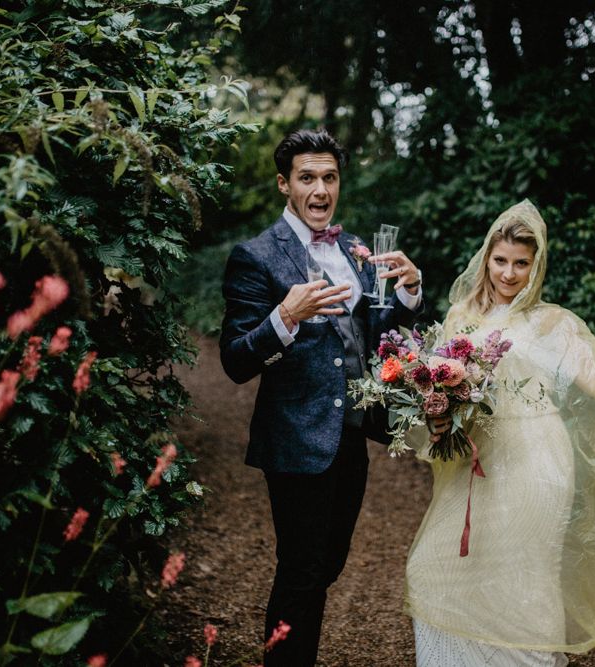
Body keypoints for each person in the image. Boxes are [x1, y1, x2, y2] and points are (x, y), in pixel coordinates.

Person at [219, 128, 423, 665]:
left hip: (350, 434)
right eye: (307, 178)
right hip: (295, 437)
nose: (319, 189)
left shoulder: (354, 247)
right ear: (284, 184)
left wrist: (406, 290)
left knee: (328, 564)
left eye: (329, 177)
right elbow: (235, 360)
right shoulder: (255, 256)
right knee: (302, 571)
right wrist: (285, 316)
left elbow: (372, 331)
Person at [406, 199, 595, 667]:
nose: (509, 273)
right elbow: (435, 386)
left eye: (522, 263)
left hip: (538, 464)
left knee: (525, 576)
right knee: (434, 565)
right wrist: (438, 413)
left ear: (536, 265)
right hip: (476, 462)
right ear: (486, 258)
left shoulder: (553, 323)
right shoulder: (461, 316)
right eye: (501, 260)